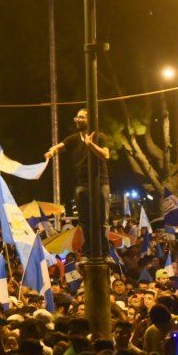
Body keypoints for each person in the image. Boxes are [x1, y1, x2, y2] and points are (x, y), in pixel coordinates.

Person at [45, 108, 111, 254]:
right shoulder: (73, 139)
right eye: (77, 117)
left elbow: (106, 155)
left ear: (90, 119)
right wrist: (51, 152)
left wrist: (90, 144)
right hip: (82, 183)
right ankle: (88, 250)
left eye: (82, 117)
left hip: (100, 182)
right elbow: (60, 146)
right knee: (84, 220)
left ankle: (105, 252)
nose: (78, 120)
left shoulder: (99, 137)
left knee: (102, 220)